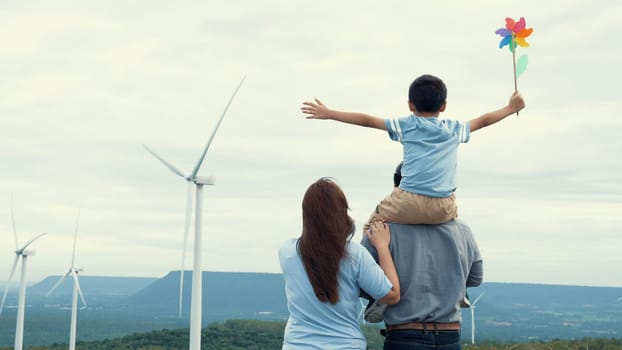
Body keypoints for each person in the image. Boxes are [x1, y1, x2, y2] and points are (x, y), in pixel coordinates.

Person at [302, 74, 525, 229]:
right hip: (444, 206)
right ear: (444, 106)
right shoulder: (453, 130)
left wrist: (329, 113)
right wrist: (510, 107)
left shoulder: (407, 125)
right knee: (457, 233)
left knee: (372, 225)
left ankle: (373, 284)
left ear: (410, 105)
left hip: (407, 201)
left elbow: (367, 120)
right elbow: (485, 121)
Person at [360, 163, 484, 350]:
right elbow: (475, 278)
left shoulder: (380, 231)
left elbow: (363, 285)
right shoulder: (463, 231)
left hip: (404, 336)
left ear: (397, 190)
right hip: (450, 336)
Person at [278, 177, 401, 350]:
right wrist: (382, 246)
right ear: (341, 212)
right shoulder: (354, 254)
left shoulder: (287, 252)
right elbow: (392, 295)